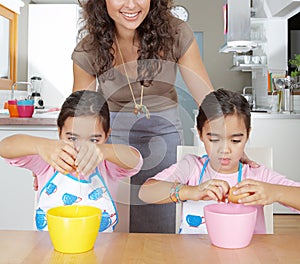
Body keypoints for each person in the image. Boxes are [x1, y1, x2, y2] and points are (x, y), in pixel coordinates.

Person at [71, 0, 256, 233]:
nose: (131, 5)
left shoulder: (176, 33)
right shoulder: (88, 49)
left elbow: (206, 100)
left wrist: (228, 141)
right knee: (114, 223)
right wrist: (64, 163)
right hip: (113, 141)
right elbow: (81, 116)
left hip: (164, 135)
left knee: (162, 220)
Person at [139, 89, 300, 234]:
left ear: (247, 135)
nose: (224, 149)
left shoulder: (257, 174)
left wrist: (277, 192)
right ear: (200, 134)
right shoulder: (191, 167)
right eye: (214, 139)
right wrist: (192, 191)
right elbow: (146, 192)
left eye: (235, 140)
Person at [0, 90, 142, 232]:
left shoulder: (108, 164)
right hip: (48, 249)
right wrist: (40, 145)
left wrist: (104, 151)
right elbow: (4, 147)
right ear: (59, 131)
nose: (82, 147)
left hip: (100, 250)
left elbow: (136, 160)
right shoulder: (49, 159)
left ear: (107, 135)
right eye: (72, 138)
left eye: (94, 140)